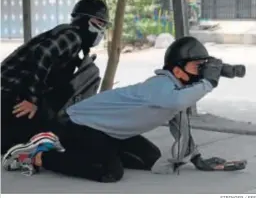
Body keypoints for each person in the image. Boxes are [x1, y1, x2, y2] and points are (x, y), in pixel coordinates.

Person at [3, 36, 240, 182]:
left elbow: (181, 127)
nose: (201, 73)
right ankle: (37, 156)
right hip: (79, 125)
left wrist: (197, 159)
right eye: (198, 67)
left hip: (111, 133)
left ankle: (92, 152)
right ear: (177, 70)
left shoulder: (177, 90)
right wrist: (209, 82)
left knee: (151, 159)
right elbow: (178, 103)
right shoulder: (161, 85)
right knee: (110, 173)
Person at [1, 0, 110, 154]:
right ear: (84, 19)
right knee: (38, 141)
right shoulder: (73, 36)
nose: (102, 29)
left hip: (11, 93)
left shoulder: (69, 37)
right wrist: (31, 99)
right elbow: (43, 53)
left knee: (35, 138)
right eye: (99, 22)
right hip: (9, 94)